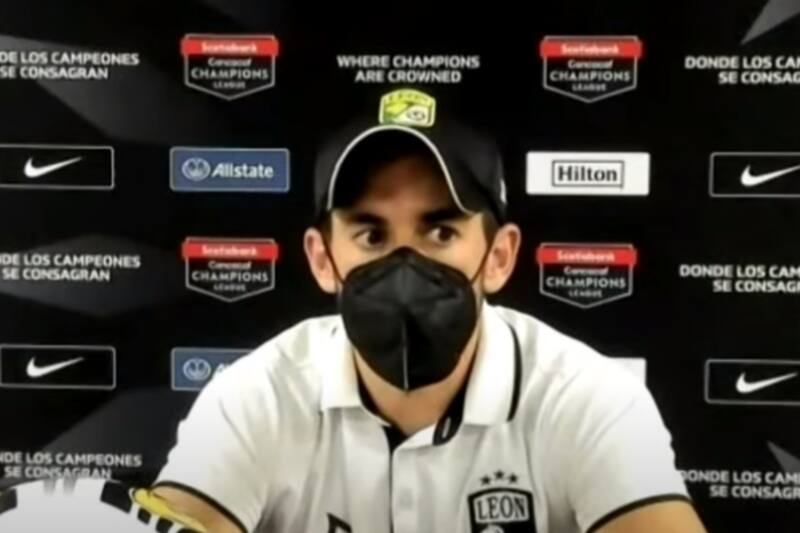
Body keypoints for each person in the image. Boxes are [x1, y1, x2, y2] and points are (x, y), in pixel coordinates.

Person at [150, 88, 708, 533]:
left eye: (440, 232)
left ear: (499, 256)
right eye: (371, 235)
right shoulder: (255, 397)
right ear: (322, 259)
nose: (405, 265)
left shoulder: (590, 399)